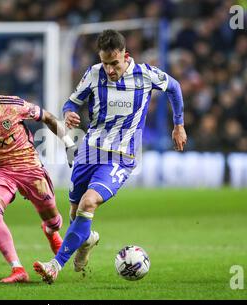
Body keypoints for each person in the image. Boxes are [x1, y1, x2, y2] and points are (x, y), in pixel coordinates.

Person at [33, 29, 187, 284]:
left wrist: (178, 124)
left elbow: (174, 87)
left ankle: (55, 265)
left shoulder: (145, 75)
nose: (109, 70)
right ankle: (87, 240)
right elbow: (71, 102)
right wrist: (69, 113)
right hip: (89, 150)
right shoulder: (94, 73)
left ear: (125, 56)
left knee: (88, 203)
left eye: (114, 63)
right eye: (105, 63)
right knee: (75, 214)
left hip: (121, 156)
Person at [0, 71, 76, 284]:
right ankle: (17, 268)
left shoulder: (12, 105)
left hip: (29, 166)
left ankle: (50, 231)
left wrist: (69, 144)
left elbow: (47, 117)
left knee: (54, 220)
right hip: (0, 171)